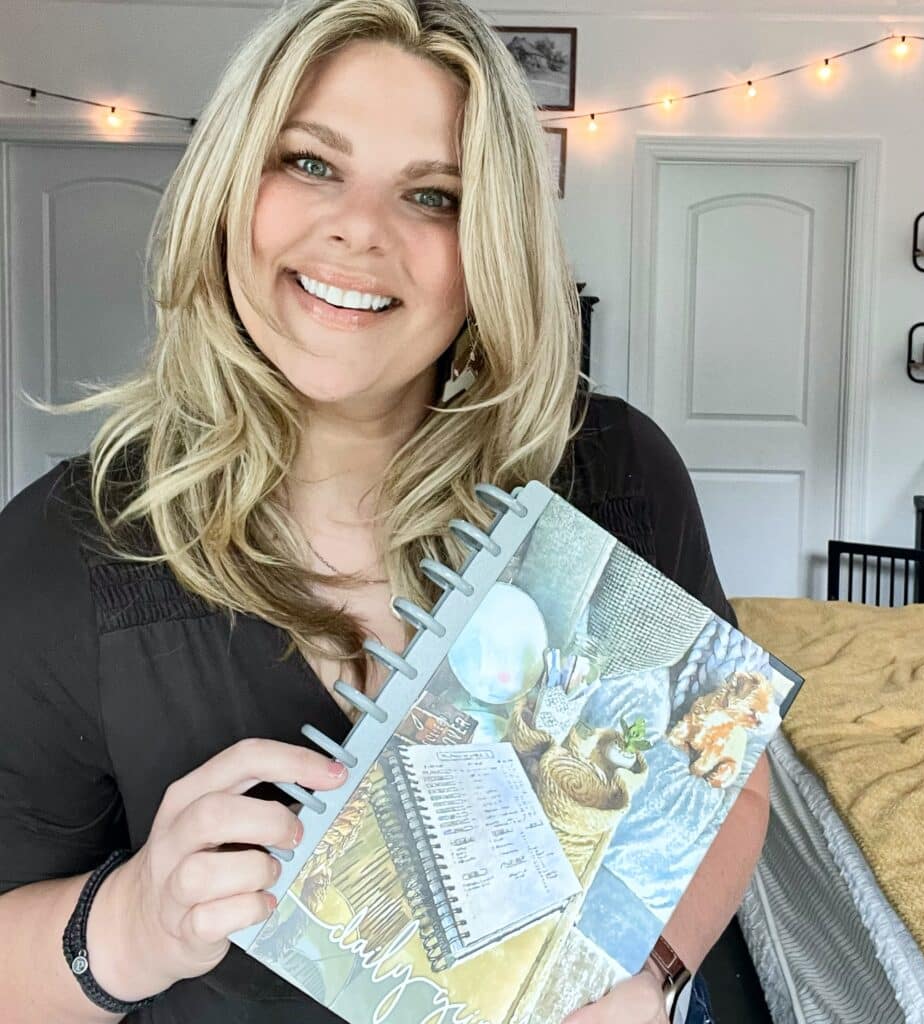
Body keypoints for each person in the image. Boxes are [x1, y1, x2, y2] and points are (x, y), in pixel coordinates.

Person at [0, 0, 768, 1021]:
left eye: (434, 196)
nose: (358, 228)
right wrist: (130, 923)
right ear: (232, 188)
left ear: (489, 248)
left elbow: (726, 780)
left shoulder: (609, 473)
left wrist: (651, 977)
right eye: (310, 162)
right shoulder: (67, 549)